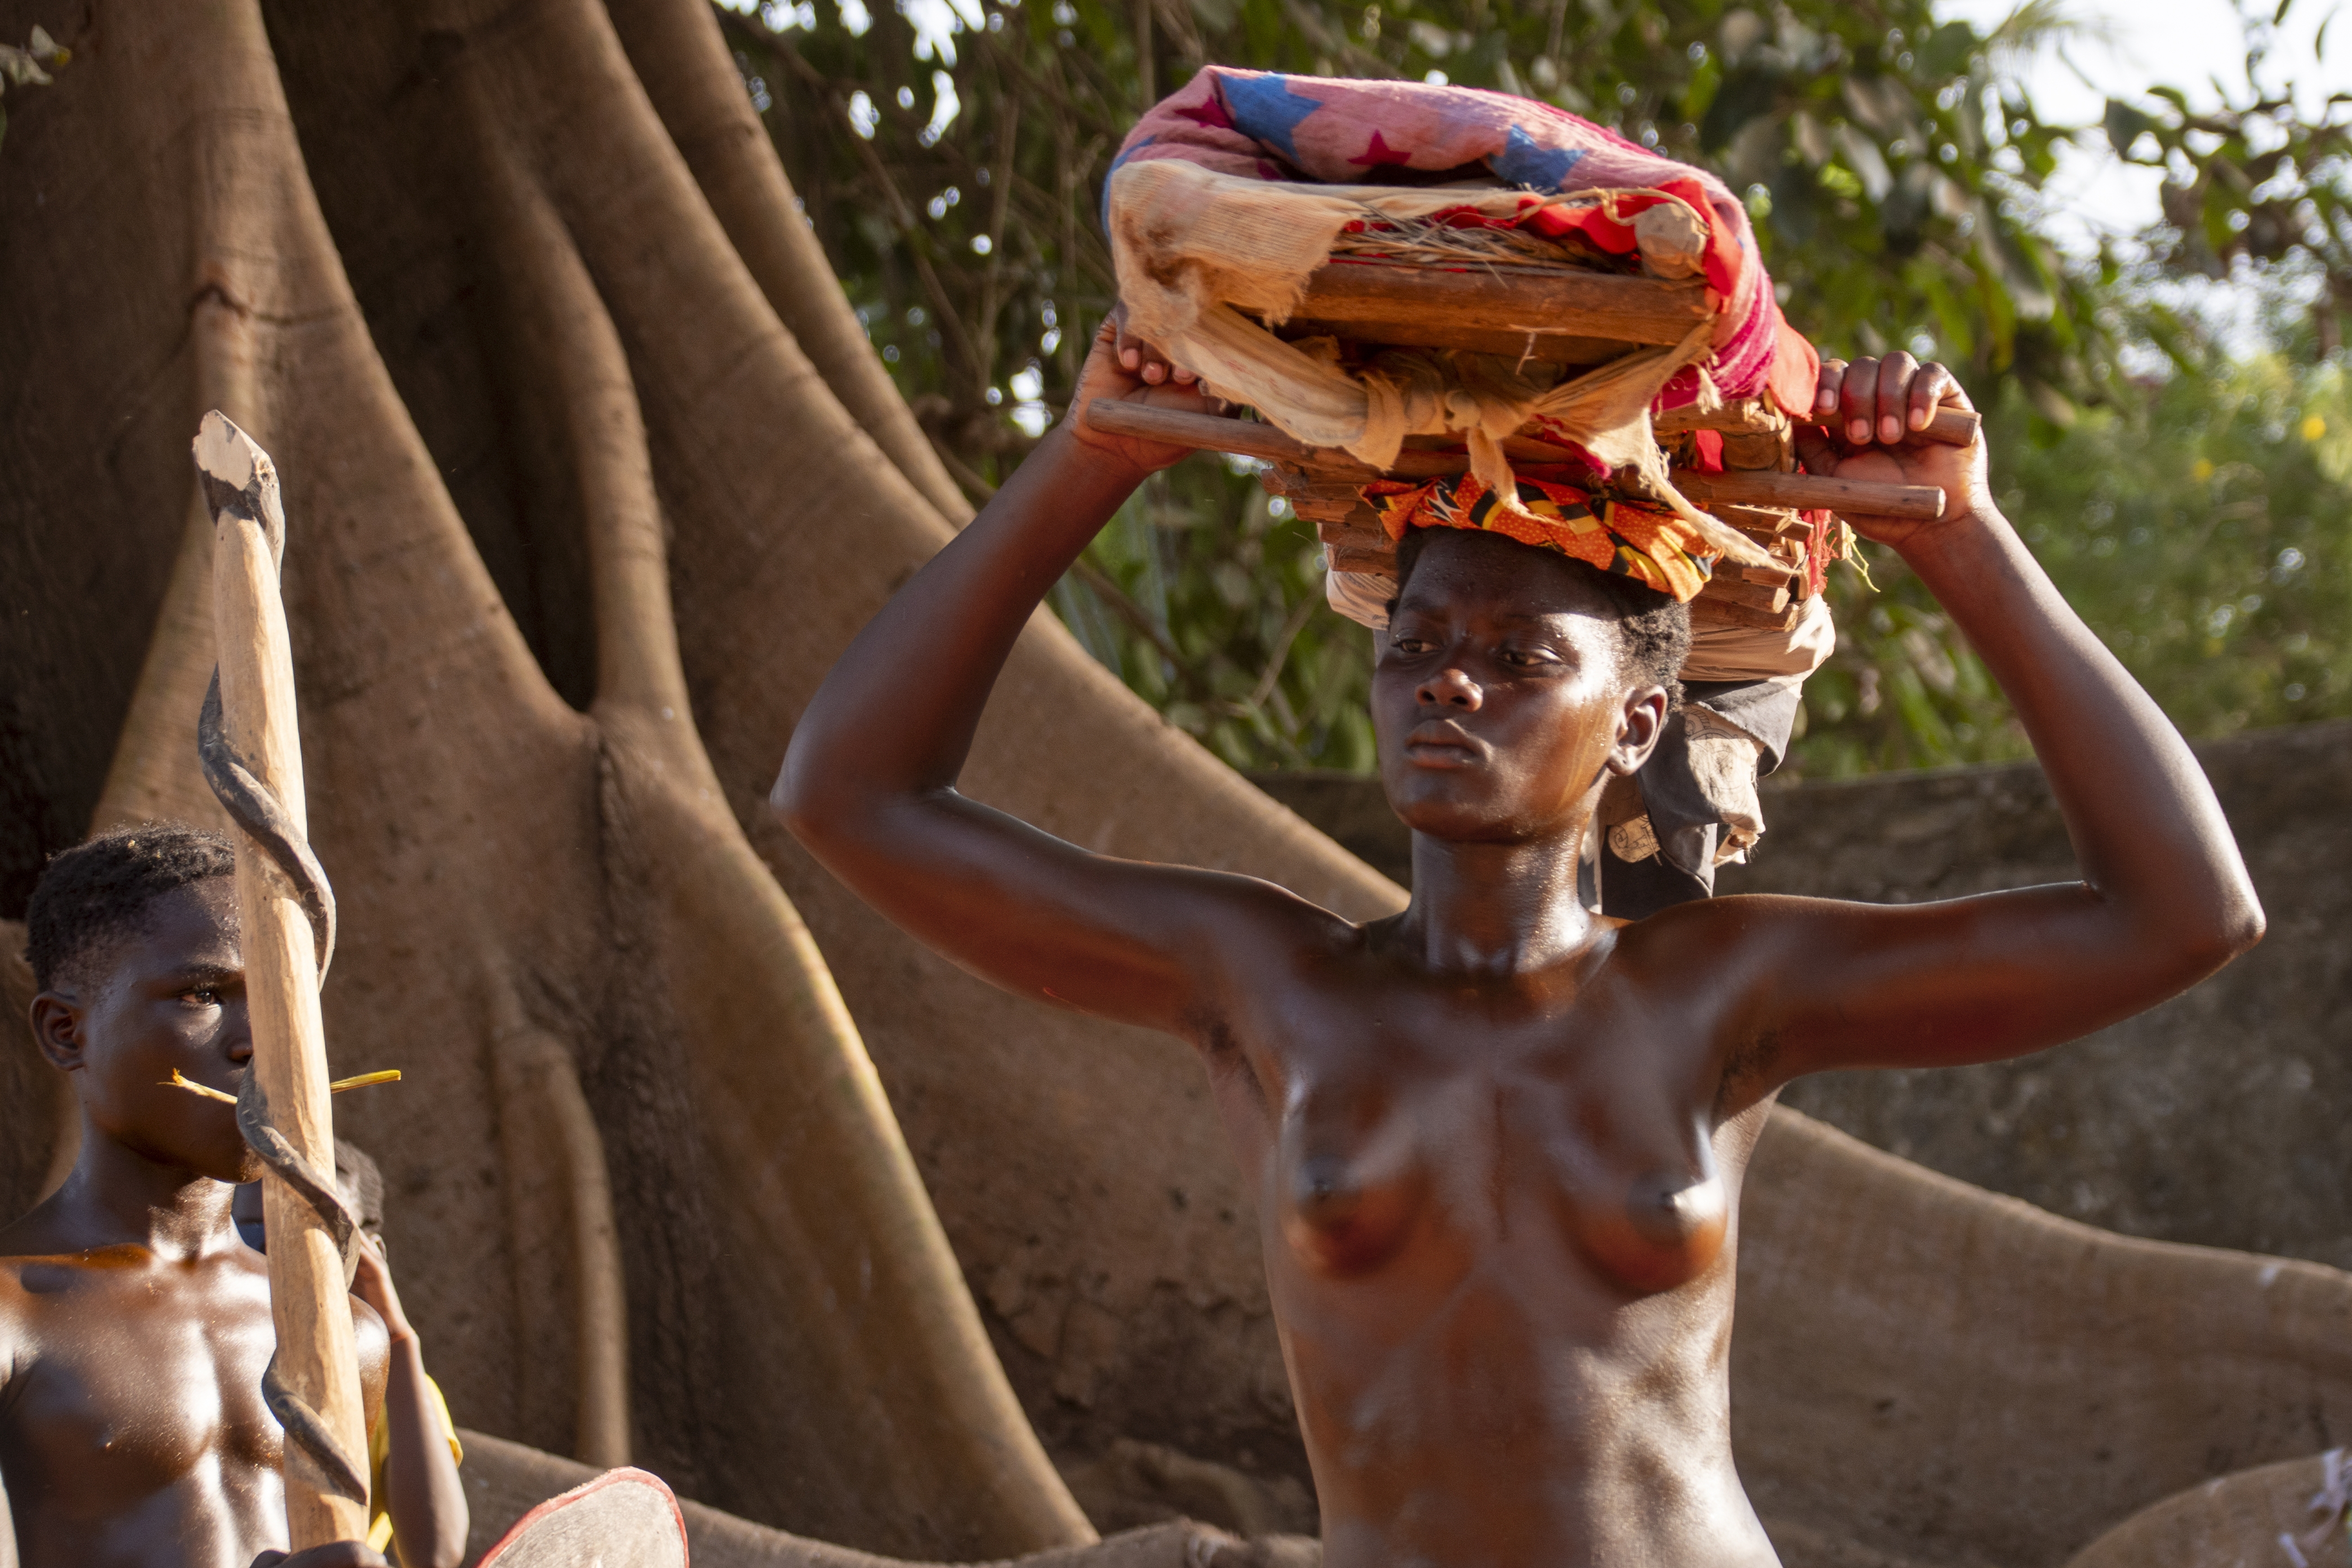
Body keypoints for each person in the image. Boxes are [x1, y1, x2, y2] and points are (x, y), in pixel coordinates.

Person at [773, 319, 2265, 1567]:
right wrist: (1097, 454)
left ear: (1637, 721)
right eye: (1415, 646)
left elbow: (2182, 916)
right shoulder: (1265, 981)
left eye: (1517, 658)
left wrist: (1963, 536)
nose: (1449, 688)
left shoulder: (1719, 993)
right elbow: (847, 796)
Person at [1, 824, 391, 1568]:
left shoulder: (340, 1338)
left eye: (281, 999)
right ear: (66, 1033)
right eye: (203, 994)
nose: (260, 1041)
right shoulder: (14, 1322)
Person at [234, 1142, 468, 1567]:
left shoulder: (384, 1378)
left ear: (370, 1254)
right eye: (254, 1233)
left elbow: (436, 1554)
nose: (285, 1259)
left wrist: (398, 1341)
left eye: (319, 1238)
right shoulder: (197, 1354)